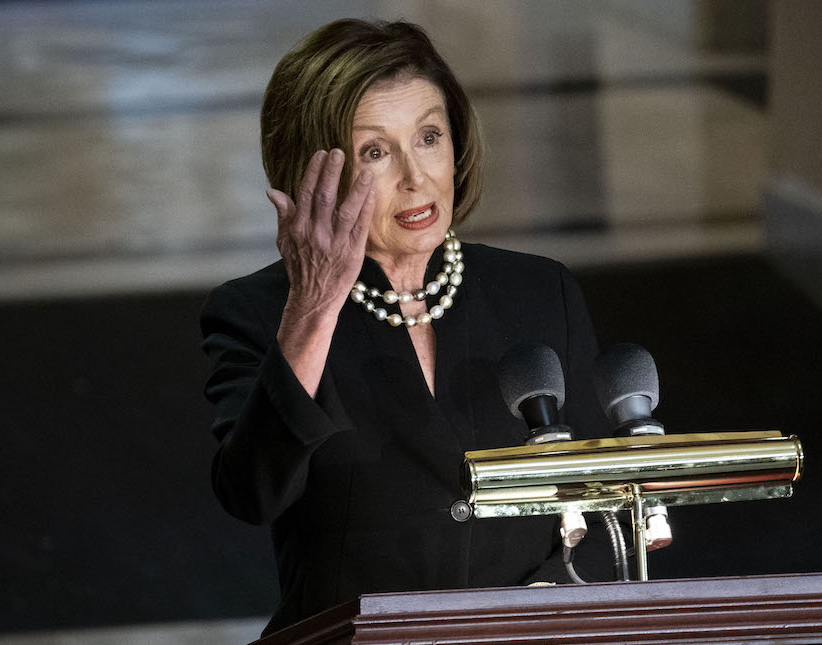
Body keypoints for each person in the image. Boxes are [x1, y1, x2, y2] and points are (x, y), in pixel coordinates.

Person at [199, 19, 612, 635]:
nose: (415, 178)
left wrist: (534, 618)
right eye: (375, 152)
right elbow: (253, 492)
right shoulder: (260, 312)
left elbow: (604, 504)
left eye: (428, 137)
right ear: (316, 173)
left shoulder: (540, 292)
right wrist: (313, 309)